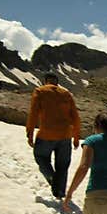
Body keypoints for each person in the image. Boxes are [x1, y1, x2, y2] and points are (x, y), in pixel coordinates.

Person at [26, 71, 81, 199]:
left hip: (46, 134)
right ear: (57, 82)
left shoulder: (40, 91)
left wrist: (30, 133)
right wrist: (76, 138)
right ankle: (60, 192)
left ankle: (52, 178)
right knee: (63, 165)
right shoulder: (66, 94)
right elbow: (75, 117)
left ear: (46, 81)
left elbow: (33, 114)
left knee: (41, 157)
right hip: (66, 135)